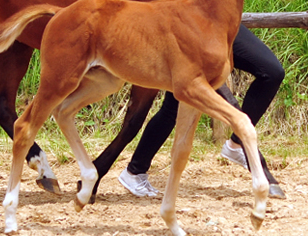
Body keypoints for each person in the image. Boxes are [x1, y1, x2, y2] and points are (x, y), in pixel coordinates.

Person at [118, 24, 284, 197]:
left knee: (272, 72)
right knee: (172, 106)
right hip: (189, 27)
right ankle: (135, 171)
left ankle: (236, 144)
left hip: (221, 21)